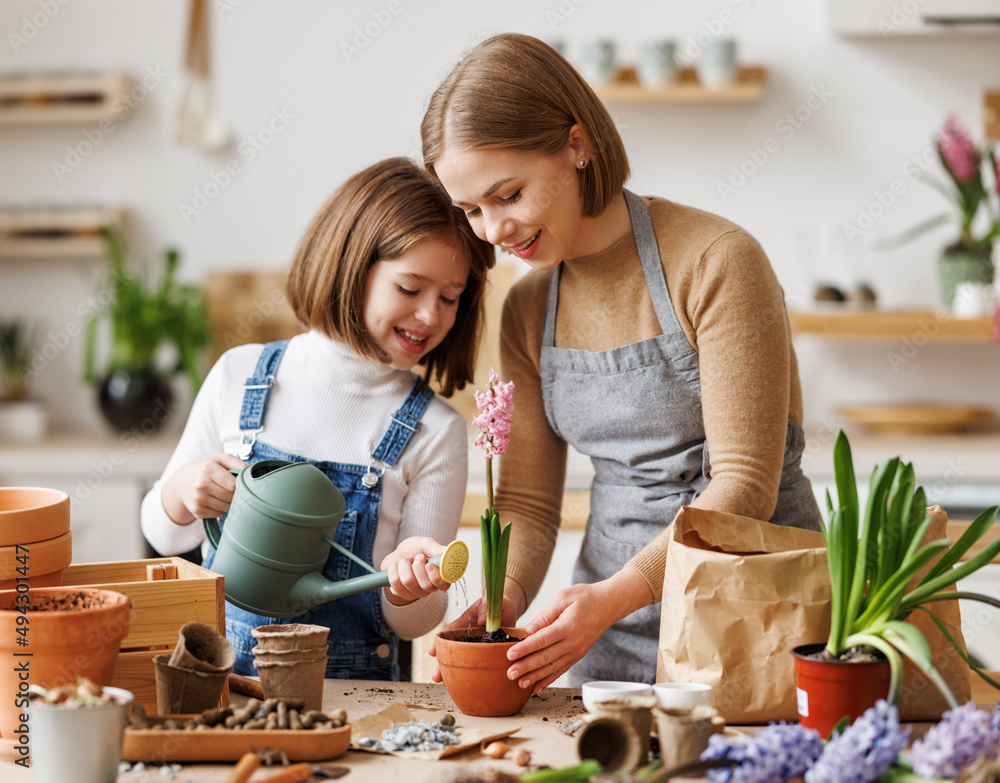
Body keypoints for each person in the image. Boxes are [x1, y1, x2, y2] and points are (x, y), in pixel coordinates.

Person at [421, 33, 822, 691]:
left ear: (577, 145)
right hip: (608, 633)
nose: (493, 231)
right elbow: (525, 498)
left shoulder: (717, 260)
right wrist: (503, 605)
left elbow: (745, 483)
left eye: (509, 194)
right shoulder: (527, 308)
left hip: (760, 609)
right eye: (471, 210)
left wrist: (614, 595)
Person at [141, 157, 495, 680]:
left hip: (355, 705)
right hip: (221, 690)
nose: (431, 315)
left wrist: (411, 585)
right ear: (352, 264)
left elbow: (415, 623)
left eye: (450, 297)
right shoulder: (240, 375)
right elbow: (165, 537)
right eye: (410, 288)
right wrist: (181, 494)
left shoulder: (434, 432)